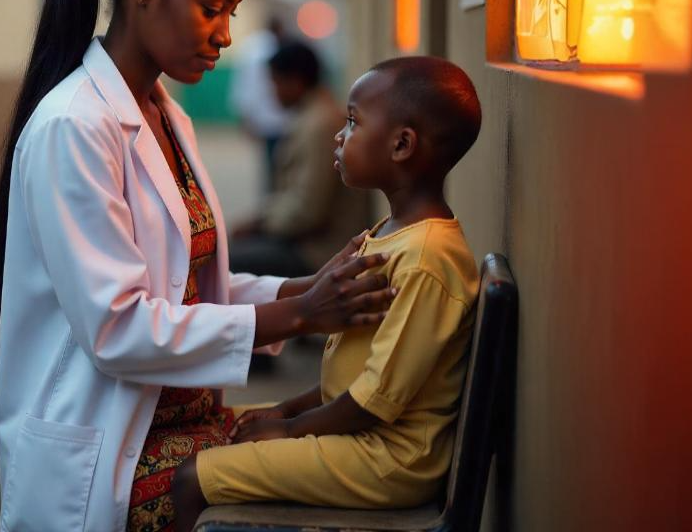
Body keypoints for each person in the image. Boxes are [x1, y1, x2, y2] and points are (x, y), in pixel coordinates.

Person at [0, 0, 398, 532]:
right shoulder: (75, 127)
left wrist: (309, 288)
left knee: (334, 452)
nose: (226, 36)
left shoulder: (165, 116)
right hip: (116, 451)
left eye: (232, 12)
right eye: (212, 8)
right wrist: (298, 314)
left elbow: (185, 289)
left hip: (181, 421)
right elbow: (118, 328)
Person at [170, 56, 484, 530]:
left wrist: (290, 430)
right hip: (364, 437)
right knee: (221, 428)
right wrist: (287, 408)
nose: (340, 136)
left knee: (192, 477)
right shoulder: (393, 233)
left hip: (388, 460)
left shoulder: (426, 258)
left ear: (401, 145)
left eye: (354, 122)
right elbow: (358, 373)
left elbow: (377, 398)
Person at [230, 41, 369, 278]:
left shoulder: (320, 125)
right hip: (306, 242)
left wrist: (259, 224)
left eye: (275, 83)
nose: (272, 92)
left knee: (225, 262)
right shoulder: (313, 115)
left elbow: (306, 212)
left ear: (295, 81)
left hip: (319, 253)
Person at [228, 18, 292, 191]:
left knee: (272, 162)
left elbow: (244, 84)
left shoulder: (252, 47)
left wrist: (245, 114)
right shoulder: (274, 47)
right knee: (279, 163)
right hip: (278, 116)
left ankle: (272, 199)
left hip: (264, 115)